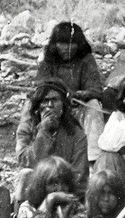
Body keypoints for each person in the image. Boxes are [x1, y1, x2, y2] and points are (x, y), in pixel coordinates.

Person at [36, 21, 105, 163]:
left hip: (78, 107)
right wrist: (61, 95)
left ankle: (93, 158)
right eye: (62, 43)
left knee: (94, 105)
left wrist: (82, 94)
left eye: (72, 43)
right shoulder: (48, 60)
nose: (67, 48)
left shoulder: (86, 59)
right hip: (55, 106)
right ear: (54, 44)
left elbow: (96, 88)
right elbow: (41, 87)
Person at [13, 80, 89, 189]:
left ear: (63, 104)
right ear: (38, 106)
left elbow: (79, 175)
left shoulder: (76, 134)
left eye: (55, 100)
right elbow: (24, 161)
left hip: (64, 189)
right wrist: (43, 131)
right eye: (45, 101)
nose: (49, 106)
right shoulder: (27, 127)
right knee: (25, 174)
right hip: (35, 187)